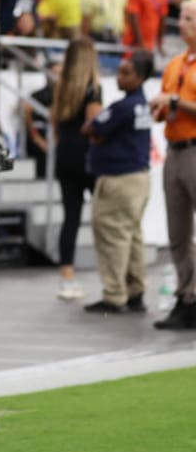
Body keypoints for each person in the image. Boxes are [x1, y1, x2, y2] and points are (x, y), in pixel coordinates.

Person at [81, 49, 154, 314]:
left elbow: (91, 128)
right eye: (119, 71)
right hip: (138, 177)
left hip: (120, 179)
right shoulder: (140, 104)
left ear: (141, 77)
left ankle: (114, 294)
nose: (119, 77)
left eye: (126, 73)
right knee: (131, 235)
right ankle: (136, 290)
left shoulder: (124, 107)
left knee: (112, 235)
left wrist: (95, 132)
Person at [147, 0, 196, 330]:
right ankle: (187, 295)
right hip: (175, 148)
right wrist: (161, 109)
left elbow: (177, 101)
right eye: (181, 17)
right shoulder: (174, 64)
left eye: (189, 18)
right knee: (177, 231)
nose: (182, 24)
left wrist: (176, 101)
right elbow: (166, 105)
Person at [50, 37, 103, 301]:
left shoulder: (62, 87)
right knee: (104, 217)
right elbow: (94, 127)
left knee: (70, 217)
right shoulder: (93, 89)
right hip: (88, 157)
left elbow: (55, 125)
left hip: (65, 156)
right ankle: (111, 274)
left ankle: (67, 278)